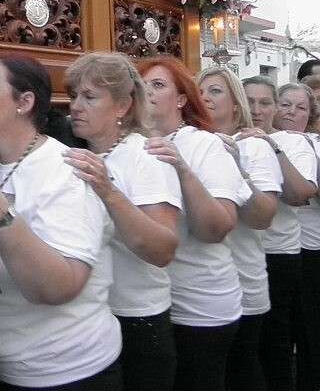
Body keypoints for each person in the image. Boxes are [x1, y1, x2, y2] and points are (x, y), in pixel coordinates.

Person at [0, 54, 122, 390]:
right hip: (5, 366)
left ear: (24, 102)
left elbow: (62, 285)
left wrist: (0, 212)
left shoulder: (64, 171)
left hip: (73, 370)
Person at [63, 53, 181, 391]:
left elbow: (162, 249)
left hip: (138, 320)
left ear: (122, 106)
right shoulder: (76, 153)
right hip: (91, 322)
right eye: (74, 95)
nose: (75, 106)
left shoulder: (144, 156)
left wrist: (108, 191)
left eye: (89, 97)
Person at [136, 56, 249, 391]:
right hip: (151, 304)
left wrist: (183, 169)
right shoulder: (131, 145)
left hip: (200, 303)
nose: (147, 91)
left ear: (182, 99)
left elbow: (217, 229)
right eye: (141, 85)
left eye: (158, 85)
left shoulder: (204, 144)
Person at [197, 67, 281, 391]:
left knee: (242, 371)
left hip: (242, 280)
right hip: (199, 288)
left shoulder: (252, 146)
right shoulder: (189, 144)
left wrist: (235, 168)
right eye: (200, 91)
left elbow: (262, 217)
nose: (205, 97)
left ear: (235, 104)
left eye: (215, 91)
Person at [241, 76, 318, 391]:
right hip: (242, 254)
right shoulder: (228, 137)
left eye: (265, 103)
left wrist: (270, 147)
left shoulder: (295, 142)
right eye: (249, 101)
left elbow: (300, 194)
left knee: (277, 342)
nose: (256, 110)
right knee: (248, 346)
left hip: (283, 254)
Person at [272, 83, 320, 391]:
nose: (291, 112)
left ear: (310, 115)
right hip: (276, 249)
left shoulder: (313, 144)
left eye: (301, 108)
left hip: (311, 250)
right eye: (285, 104)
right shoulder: (256, 139)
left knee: (308, 330)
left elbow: (306, 193)